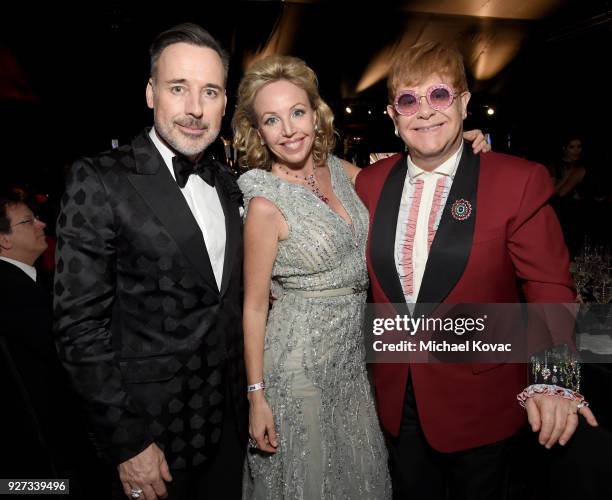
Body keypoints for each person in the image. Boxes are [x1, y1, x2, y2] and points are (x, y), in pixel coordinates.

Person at [232, 54, 488, 499]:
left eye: (297, 112)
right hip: (297, 369)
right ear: (258, 131)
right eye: (272, 120)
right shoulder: (263, 203)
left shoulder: (342, 171)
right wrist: (256, 396)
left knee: (360, 476)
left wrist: (455, 142)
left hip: (353, 367)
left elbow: (407, 171)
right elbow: (253, 308)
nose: (289, 129)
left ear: (316, 113)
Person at [354, 41, 599, 500]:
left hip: (483, 404)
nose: (424, 111)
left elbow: (548, 287)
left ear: (465, 102)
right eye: (409, 99)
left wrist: (556, 380)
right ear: (393, 116)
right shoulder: (369, 183)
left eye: (440, 95)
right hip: (395, 399)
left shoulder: (516, 180)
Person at [54, 23, 246, 500]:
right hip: (151, 439)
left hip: (230, 430)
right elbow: (78, 328)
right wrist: (128, 443)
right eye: (178, 88)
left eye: (210, 91)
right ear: (150, 93)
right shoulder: (99, 179)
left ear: (225, 101)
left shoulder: (230, 183)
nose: (195, 109)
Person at [0, 192, 105, 497]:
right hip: (41, 462)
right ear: (4, 240)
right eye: (28, 221)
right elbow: (68, 352)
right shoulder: (12, 294)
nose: (41, 223)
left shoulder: (30, 282)